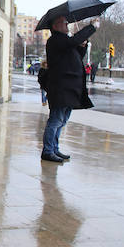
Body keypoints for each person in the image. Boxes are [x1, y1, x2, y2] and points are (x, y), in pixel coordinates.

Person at [41, 16, 99, 162]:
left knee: (62, 121)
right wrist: (91, 27)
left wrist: (83, 46)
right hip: (60, 87)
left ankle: (54, 148)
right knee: (56, 120)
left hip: (69, 88)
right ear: (55, 26)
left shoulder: (65, 42)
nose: (67, 24)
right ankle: (48, 151)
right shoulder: (56, 41)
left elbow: (76, 55)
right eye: (63, 22)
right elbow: (72, 41)